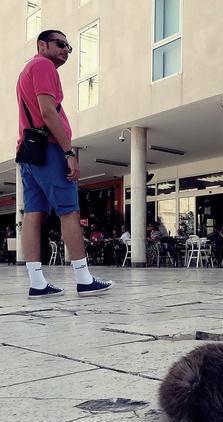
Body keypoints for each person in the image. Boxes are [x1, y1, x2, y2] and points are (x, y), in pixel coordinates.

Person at [16, 30, 112, 298]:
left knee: (33, 214)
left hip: (29, 153)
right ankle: (83, 278)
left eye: (69, 46)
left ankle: (37, 283)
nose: (66, 49)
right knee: (68, 209)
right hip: (49, 150)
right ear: (42, 45)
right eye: (60, 44)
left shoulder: (28, 70)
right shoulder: (44, 65)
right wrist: (69, 152)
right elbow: (47, 111)